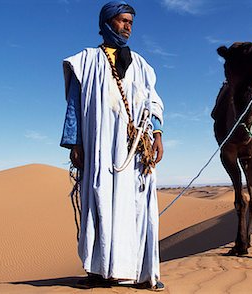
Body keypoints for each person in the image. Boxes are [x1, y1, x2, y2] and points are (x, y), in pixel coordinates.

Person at [60, 1, 165, 291]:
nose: (128, 26)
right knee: (100, 199)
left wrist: (157, 135)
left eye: (131, 21)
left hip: (135, 147)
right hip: (99, 143)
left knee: (139, 205)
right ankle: (97, 272)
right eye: (122, 20)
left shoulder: (142, 65)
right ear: (107, 23)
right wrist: (75, 142)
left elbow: (152, 102)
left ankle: (144, 274)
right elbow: (74, 104)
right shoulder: (86, 60)